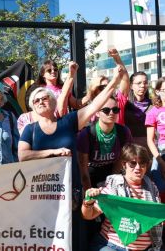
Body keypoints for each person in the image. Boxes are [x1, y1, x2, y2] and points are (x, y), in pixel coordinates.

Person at [19, 63, 124, 251]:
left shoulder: (68, 122)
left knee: (73, 237)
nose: (41, 101)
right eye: (36, 100)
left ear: (54, 101)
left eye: (45, 98)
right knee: (45, 237)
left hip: (71, 193)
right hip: (42, 193)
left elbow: (96, 105)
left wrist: (115, 81)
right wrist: (53, 152)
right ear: (32, 107)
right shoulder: (30, 130)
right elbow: (23, 156)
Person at [83, 144, 162, 251]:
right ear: (124, 164)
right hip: (113, 246)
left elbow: (157, 220)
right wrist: (88, 203)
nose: (138, 168)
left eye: (142, 163)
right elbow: (89, 215)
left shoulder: (152, 187)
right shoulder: (114, 185)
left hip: (150, 248)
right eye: (133, 163)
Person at [77, 96, 133, 192]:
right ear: (97, 113)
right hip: (90, 174)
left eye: (115, 110)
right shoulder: (86, 134)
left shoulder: (123, 132)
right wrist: (89, 193)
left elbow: (119, 161)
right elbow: (83, 170)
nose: (111, 113)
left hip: (111, 172)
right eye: (106, 110)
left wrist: (110, 186)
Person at [145, 77, 165, 201]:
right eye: (164, 90)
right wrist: (161, 162)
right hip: (162, 151)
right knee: (159, 184)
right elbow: (150, 140)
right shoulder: (153, 112)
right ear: (157, 91)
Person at [124, 71, 152, 147]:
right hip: (131, 148)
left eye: (145, 82)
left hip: (151, 148)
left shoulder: (153, 105)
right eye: (139, 83)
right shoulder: (125, 105)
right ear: (131, 86)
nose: (143, 85)